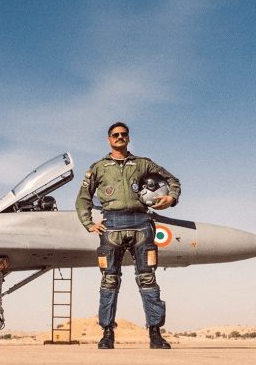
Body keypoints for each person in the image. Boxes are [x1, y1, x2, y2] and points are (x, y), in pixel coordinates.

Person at [75, 122, 181, 349]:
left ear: (129, 138)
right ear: (109, 139)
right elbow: (83, 198)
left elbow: (173, 181)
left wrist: (171, 198)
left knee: (147, 278)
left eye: (124, 134)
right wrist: (89, 224)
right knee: (109, 280)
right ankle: (107, 334)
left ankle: (155, 333)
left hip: (141, 225)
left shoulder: (143, 164)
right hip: (111, 226)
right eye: (115, 134)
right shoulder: (98, 168)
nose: (120, 137)